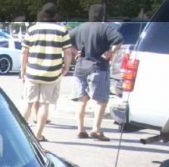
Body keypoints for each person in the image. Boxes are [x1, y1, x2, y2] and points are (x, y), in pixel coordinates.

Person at [20, 3, 73, 142]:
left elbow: (24, 51)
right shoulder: (62, 30)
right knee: (44, 104)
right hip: (52, 73)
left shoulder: (32, 29)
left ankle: (20, 134)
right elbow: (67, 51)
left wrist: (23, 69)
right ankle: (38, 135)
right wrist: (66, 67)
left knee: (28, 102)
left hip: (32, 71)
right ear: (55, 15)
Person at [70, 4, 123, 141]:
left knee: (82, 100)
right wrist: (110, 52)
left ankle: (80, 129)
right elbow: (119, 40)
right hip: (98, 67)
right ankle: (96, 129)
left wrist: (76, 53)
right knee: (100, 101)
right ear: (103, 15)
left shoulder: (80, 28)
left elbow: (66, 40)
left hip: (80, 67)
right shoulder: (105, 28)